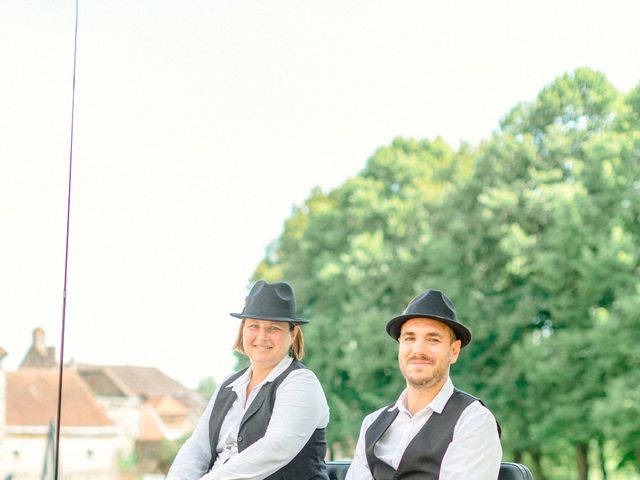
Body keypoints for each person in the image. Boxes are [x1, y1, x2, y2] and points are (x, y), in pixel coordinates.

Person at [167, 280, 330, 480]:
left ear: (293, 333)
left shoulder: (301, 383)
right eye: (254, 326)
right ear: (243, 329)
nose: (262, 336)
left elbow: (275, 447)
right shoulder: (228, 384)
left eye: (274, 328)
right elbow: (198, 446)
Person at [345, 289, 502, 480]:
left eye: (433, 339)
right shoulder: (372, 423)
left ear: (454, 351)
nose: (418, 350)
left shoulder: (473, 421)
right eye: (410, 338)